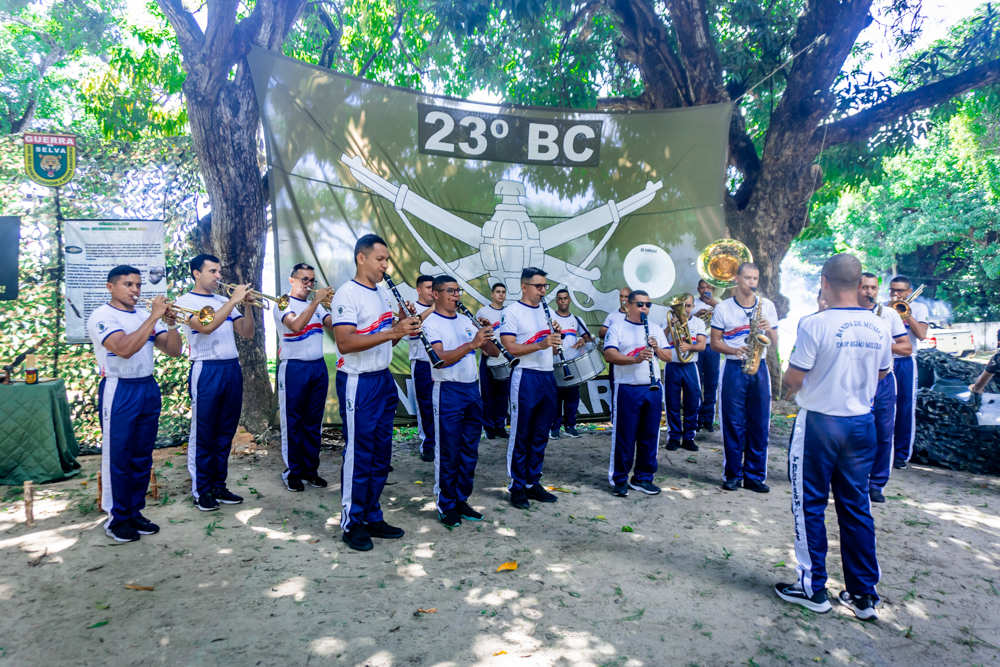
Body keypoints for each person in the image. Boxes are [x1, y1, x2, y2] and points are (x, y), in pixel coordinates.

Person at [776, 253, 893, 621]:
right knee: (857, 506)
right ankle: (863, 595)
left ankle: (812, 588)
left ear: (824, 282)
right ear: (861, 285)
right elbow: (883, 373)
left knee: (809, 502)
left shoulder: (815, 324)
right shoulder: (879, 325)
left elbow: (793, 380)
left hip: (821, 423)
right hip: (861, 423)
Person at [329, 234, 421, 551]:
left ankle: (371, 513)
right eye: (380, 259)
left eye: (387, 260)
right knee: (359, 453)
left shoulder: (383, 295)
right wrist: (394, 330)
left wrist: (400, 325)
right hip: (358, 381)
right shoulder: (346, 294)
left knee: (382, 453)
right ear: (361, 258)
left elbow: (388, 340)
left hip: (382, 378)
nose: (386, 265)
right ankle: (351, 522)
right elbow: (345, 342)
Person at [88, 265, 183, 541]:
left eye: (138, 285)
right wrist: (154, 316)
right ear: (111, 287)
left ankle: (134, 511)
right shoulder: (102, 316)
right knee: (119, 455)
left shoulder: (143, 316)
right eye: (128, 284)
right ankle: (117, 519)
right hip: (119, 387)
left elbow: (174, 350)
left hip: (147, 386)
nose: (135, 290)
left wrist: (172, 323)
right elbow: (124, 349)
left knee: (142, 455)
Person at [174, 255, 255, 511]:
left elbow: (248, 332)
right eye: (213, 271)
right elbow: (204, 327)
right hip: (206, 368)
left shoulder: (223, 301)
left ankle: (219, 485)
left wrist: (248, 306)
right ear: (197, 273)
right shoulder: (185, 302)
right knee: (204, 433)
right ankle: (202, 490)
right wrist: (233, 301)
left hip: (232, 367)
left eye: (219, 271)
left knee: (226, 432)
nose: (218, 276)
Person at [422, 275, 499, 527]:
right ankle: (445, 504)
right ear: (435, 294)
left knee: (469, 450)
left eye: (458, 291)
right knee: (448, 450)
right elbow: (439, 358)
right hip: (448, 391)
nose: (456, 296)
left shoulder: (467, 320)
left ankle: (461, 499)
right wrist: (471, 344)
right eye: (451, 291)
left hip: (471, 390)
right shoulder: (431, 323)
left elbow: (493, 353)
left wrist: (487, 337)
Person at [710, 263, 778, 493]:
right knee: (733, 423)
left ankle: (755, 476)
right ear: (737, 279)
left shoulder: (767, 305)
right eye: (748, 278)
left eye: (755, 278)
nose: (752, 282)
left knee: (759, 423)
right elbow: (714, 343)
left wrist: (769, 330)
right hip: (733, 368)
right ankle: (732, 474)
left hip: (759, 368)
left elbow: (775, 341)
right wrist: (734, 350)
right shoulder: (723, 308)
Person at [499, 267, 563, 510]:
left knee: (540, 433)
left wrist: (556, 341)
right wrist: (541, 343)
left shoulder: (547, 313)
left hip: (547, 375)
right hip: (525, 375)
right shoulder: (512, 311)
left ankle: (532, 481)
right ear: (524, 286)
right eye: (538, 286)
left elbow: (553, 350)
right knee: (521, 432)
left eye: (545, 286)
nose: (543, 291)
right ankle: (516, 485)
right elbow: (510, 348)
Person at [274, 263, 336, 492]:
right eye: (304, 280)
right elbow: (296, 325)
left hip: (318, 368)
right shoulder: (283, 301)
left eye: (312, 281)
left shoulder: (318, 306)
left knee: (313, 423)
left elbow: (335, 328)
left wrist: (342, 309)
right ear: (292, 280)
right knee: (293, 422)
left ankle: (311, 470)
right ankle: (293, 472)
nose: (309, 285)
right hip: (294, 368)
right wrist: (317, 301)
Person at [603, 290, 671, 497]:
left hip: (652, 388)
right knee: (625, 435)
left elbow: (668, 356)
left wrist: (657, 348)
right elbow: (609, 354)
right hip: (627, 387)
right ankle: (620, 479)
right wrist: (635, 359)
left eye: (648, 305)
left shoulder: (656, 329)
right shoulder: (617, 327)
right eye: (640, 304)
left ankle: (643, 478)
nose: (645, 309)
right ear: (629, 306)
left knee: (650, 435)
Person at [858, 273, 911, 503]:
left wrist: (880, 342)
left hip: (883, 380)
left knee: (883, 432)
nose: (869, 292)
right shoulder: (848, 312)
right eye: (864, 287)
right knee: (854, 431)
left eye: (873, 288)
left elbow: (906, 348)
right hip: (855, 379)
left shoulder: (889, 313)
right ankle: (854, 479)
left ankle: (876, 484)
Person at [885, 275, 928, 469]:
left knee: (904, 407)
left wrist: (906, 312)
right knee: (883, 406)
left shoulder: (919, 308)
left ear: (909, 292)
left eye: (900, 291)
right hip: (885, 360)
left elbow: (921, 335)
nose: (895, 294)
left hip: (906, 362)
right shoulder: (883, 306)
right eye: (893, 290)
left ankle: (901, 454)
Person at [661, 293, 707, 452]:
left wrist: (689, 347)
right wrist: (669, 325)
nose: (685, 309)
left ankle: (689, 437)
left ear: (693, 307)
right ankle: (673, 437)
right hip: (672, 365)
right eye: (683, 306)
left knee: (693, 402)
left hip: (690, 366)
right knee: (671, 402)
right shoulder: (668, 321)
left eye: (688, 306)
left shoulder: (699, 323)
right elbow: (661, 340)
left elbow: (701, 346)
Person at [549, 288, 593, 439]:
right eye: (560, 298)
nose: (562, 301)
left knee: (572, 397)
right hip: (555, 363)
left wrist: (582, 339)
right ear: (556, 301)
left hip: (573, 364)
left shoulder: (577, 319)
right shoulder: (551, 317)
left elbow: (589, 339)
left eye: (565, 298)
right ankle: (554, 428)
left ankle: (570, 427)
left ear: (570, 300)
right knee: (556, 397)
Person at [476, 282, 510, 439]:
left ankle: (500, 425)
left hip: (505, 358)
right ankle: (488, 426)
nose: (501, 294)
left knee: (503, 394)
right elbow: (476, 334)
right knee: (488, 393)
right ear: (492, 294)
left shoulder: (510, 312)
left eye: (503, 292)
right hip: (487, 358)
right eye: (498, 291)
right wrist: (483, 346)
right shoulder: (483, 311)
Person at [409, 275, 437, 462]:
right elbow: (411, 329)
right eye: (427, 288)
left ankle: (443, 443)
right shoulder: (411, 309)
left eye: (433, 288)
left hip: (442, 363)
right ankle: (428, 445)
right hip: (421, 363)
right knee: (425, 406)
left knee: (441, 406)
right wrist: (433, 309)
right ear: (419, 290)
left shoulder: (443, 308)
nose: (431, 291)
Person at [692, 279, 721, 432]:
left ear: (713, 289)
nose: (705, 290)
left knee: (711, 384)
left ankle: (708, 420)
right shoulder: (693, 304)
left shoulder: (720, 304)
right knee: (697, 384)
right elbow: (686, 325)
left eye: (708, 287)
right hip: (697, 348)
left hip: (713, 348)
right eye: (702, 287)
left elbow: (727, 321)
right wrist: (696, 315)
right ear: (698, 289)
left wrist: (715, 305)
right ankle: (697, 419)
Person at [599, 287, 631, 392]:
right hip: (616, 356)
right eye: (621, 296)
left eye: (626, 297)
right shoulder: (612, 315)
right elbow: (601, 333)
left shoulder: (636, 315)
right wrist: (614, 331)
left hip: (631, 355)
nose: (623, 299)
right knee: (615, 388)